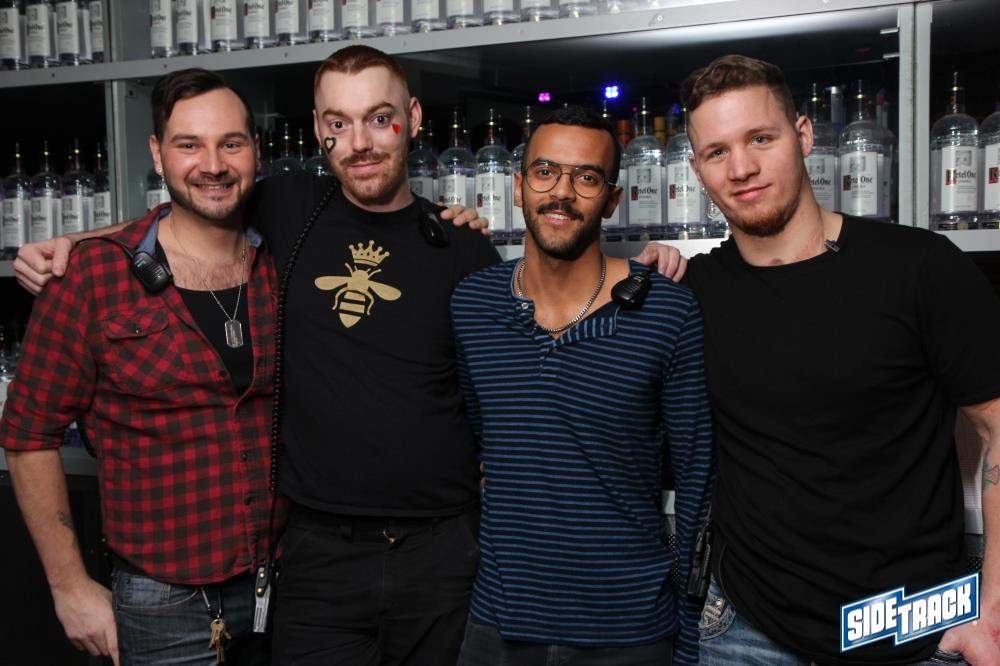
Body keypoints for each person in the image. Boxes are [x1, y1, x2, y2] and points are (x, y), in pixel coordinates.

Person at [12, 46, 685, 665]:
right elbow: (193, 206)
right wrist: (74, 243)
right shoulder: (285, 205)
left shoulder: (464, 247)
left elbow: (523, 373)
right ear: (317, 129)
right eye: (339, 123)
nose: (359, 142)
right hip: (317, 558)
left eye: (379, 119)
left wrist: (642, 267)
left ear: (412, 119)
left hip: (443, 556)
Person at [680, 54, 1000, 665]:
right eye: (717, 152)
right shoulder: (693, 292)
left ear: (804, 136)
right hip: (746, 631)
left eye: (760, 138)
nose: (741, 168)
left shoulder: (920, 267)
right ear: (696, 169)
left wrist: (994, 609)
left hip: (910, 630)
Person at [0, 68, 275, 665]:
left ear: (256, 149)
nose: (213, 164)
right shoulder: (91, 278)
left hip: (288, 582)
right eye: (188, 144)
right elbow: (26, 435)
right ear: (157, 152)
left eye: (231, 143)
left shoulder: (281, 259)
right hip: (163, 601)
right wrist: (69, 587)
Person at [450, 106, 713, 666]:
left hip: (630, 633)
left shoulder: (666, 312)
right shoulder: (473, 305)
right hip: (498, 628)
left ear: (612, 199)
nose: (562, 192)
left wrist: (691, 641)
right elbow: (482, 443)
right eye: (545, 172)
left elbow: (698, 484)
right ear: (518, 186)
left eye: (587, 177)